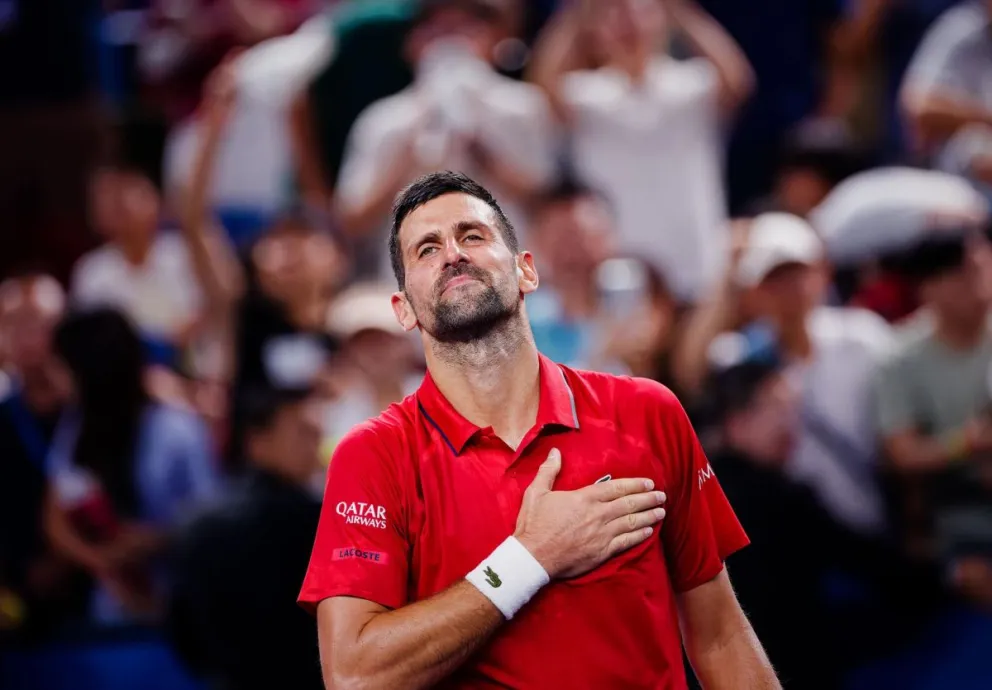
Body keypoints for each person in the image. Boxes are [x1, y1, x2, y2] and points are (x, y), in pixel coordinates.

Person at [299, 171, 778, 689]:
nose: (453, 253)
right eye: (427, 249)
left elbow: (720, 637)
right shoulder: (373, 455)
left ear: (527, 271)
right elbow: (354, 677)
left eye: (473, 235)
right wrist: (530, 558)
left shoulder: (647, 412)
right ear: (404, 309)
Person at [168, 384, 325, 690]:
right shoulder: (316, 522)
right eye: (303, 431)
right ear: (257, 440)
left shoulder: (196, 522)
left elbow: (184, 633)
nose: (315, 442)